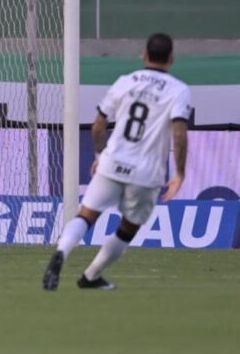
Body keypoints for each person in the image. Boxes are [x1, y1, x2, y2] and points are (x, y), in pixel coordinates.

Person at [43, 33, 191, 290]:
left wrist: (100, 156)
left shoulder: (125, 82)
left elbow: (98, 126)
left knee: (86, 215)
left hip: (112, 163)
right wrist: (179, 173)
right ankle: (90, 276)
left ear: (145, 54)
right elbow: (179, 134)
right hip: (146, 173)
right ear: (171, 58)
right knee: (128, 228)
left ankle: (60, 254)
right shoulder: (178, 90)